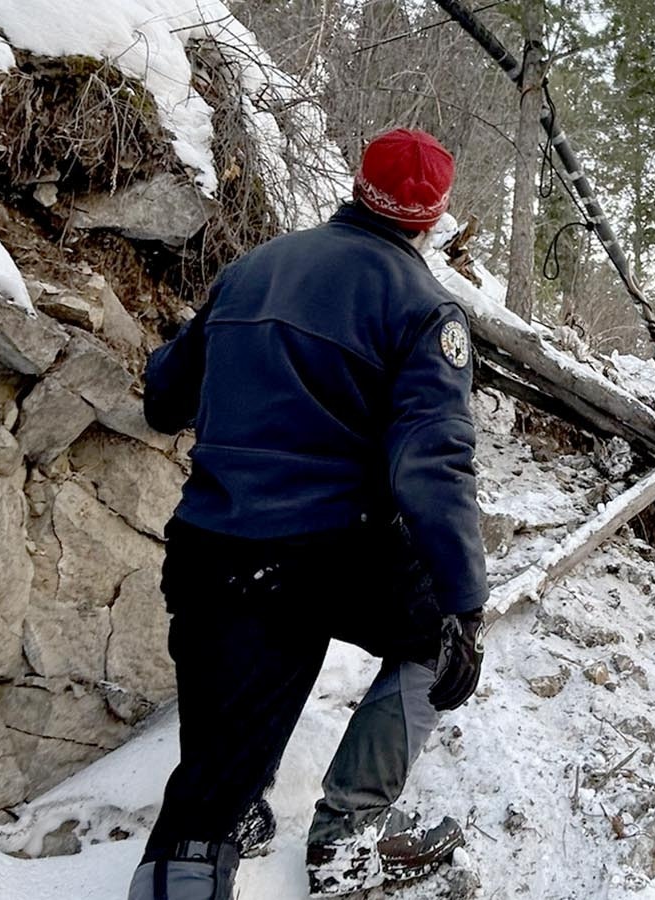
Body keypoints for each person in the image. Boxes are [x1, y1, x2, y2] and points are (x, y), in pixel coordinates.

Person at [127, 128, 488, 900]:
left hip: (205, 550)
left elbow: (165, 399)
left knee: (215, 768)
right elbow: (432, 465)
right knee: (436, 639)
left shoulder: (250, 269)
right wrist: (466, 602)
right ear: (433, 219)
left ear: (359, 187)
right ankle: (347, 835)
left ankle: (237, 812)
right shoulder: (425, 309)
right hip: (323, 557)